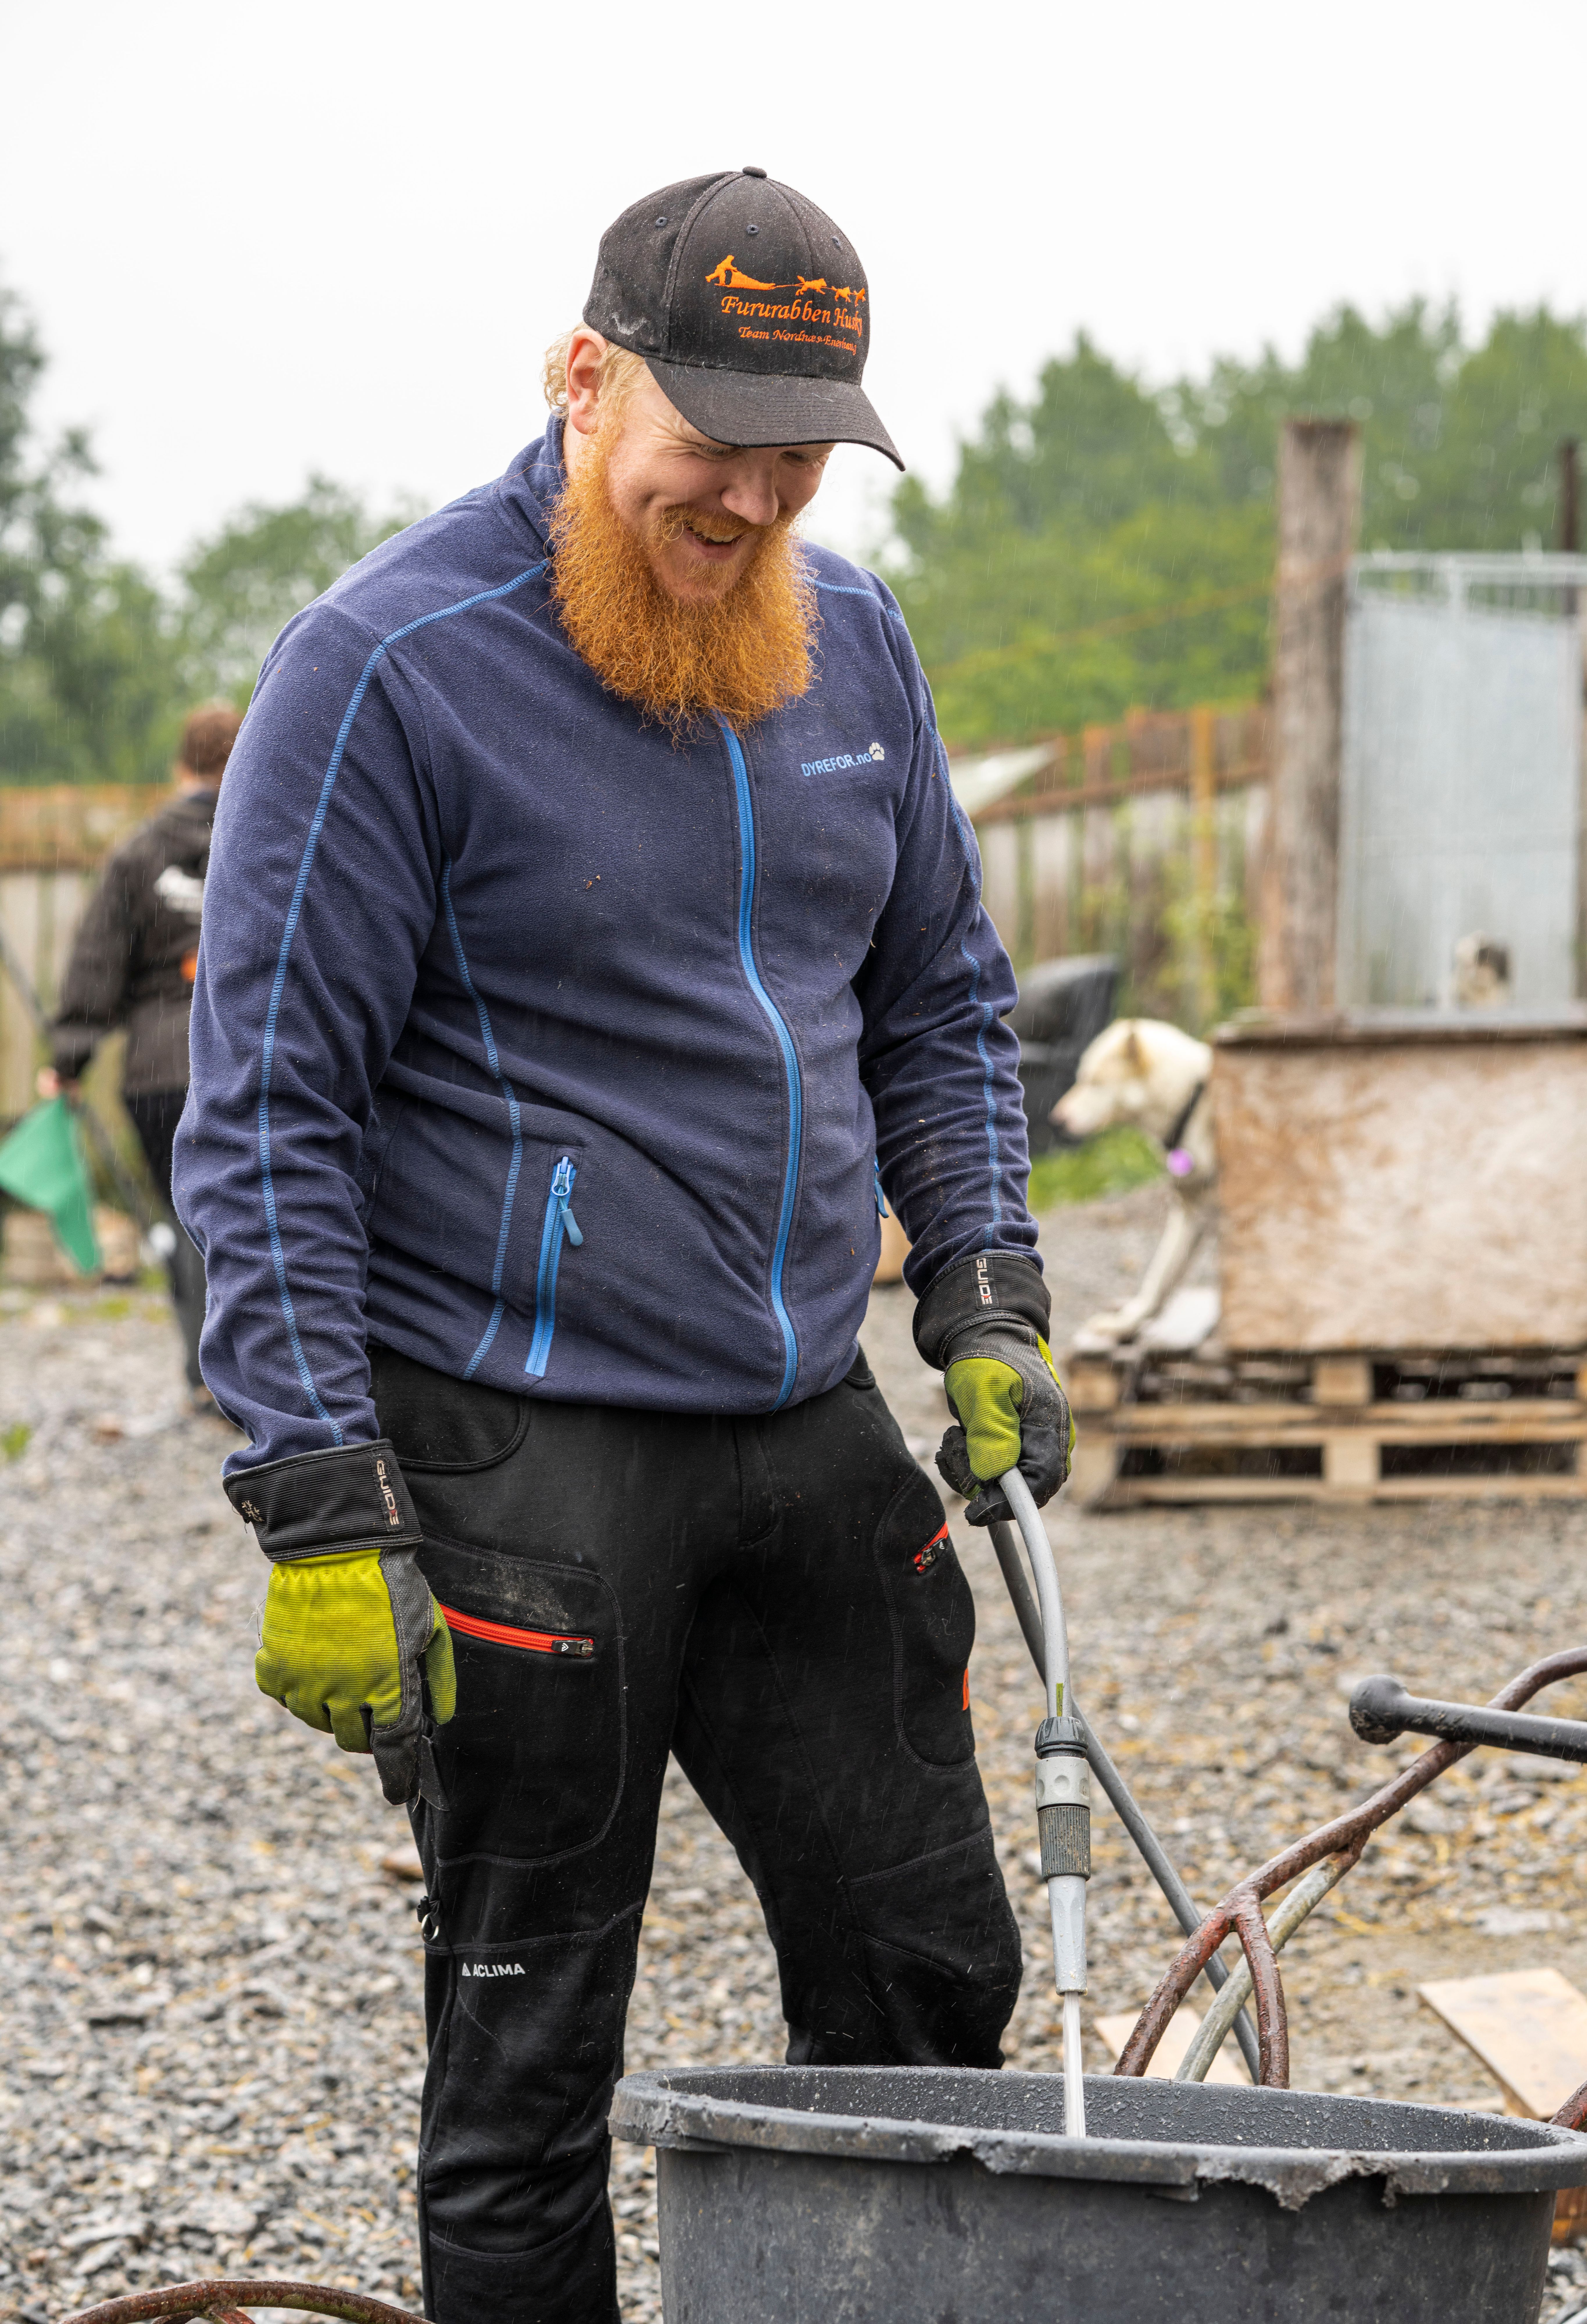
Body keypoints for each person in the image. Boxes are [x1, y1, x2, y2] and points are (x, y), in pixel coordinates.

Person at [176, 169, 1072, 2324]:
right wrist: (313, 1491)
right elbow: (268, 1098)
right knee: (527, 2052)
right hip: (516, 1448)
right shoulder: (391, 666)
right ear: (583, 382)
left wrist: (981, 1280)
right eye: (713, 439)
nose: (752, 496)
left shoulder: (850, 642)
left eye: (800, 451)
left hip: (792, 1416)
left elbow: (940, 997)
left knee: (932, 1965)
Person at [42, 700, 240, 1397]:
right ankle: (256, 1384)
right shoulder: (270, 833)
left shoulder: (136, 853)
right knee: (254, 1218)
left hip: (160, 1071)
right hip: (249, 1057)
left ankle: (202, 1374)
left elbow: (97, 965)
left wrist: (67, 1061)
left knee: (185, 1217)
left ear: (181, 767)